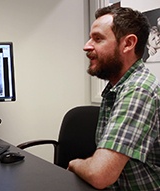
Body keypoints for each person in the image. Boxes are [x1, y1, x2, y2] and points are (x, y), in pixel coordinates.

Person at [68, 6, 160, 190]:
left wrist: (75, 164)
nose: (86, 46)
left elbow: (100, 175)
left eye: (98, 38)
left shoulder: (138, 89)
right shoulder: (118, 87)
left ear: (128, 44)